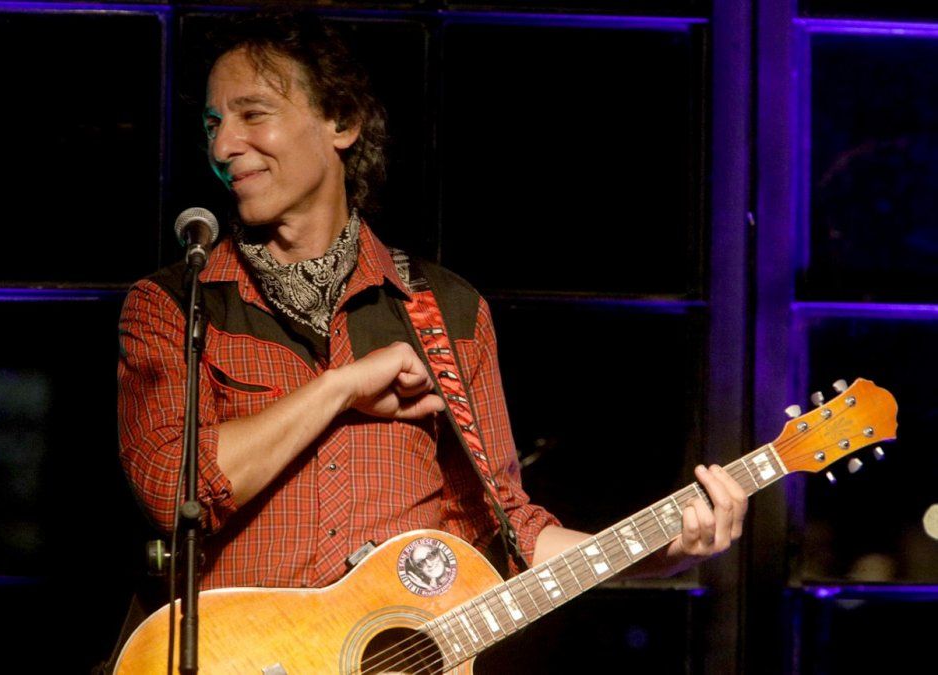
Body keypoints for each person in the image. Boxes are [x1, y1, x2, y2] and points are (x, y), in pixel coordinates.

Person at [117, 9, 746, 603]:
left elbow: (506, 531)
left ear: (341, 122)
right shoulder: (174, 303)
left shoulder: (448, 311)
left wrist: (657, 554)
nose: (223, 146)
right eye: (212, 125)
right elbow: (174, 488)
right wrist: (341, 387)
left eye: (252, 115)